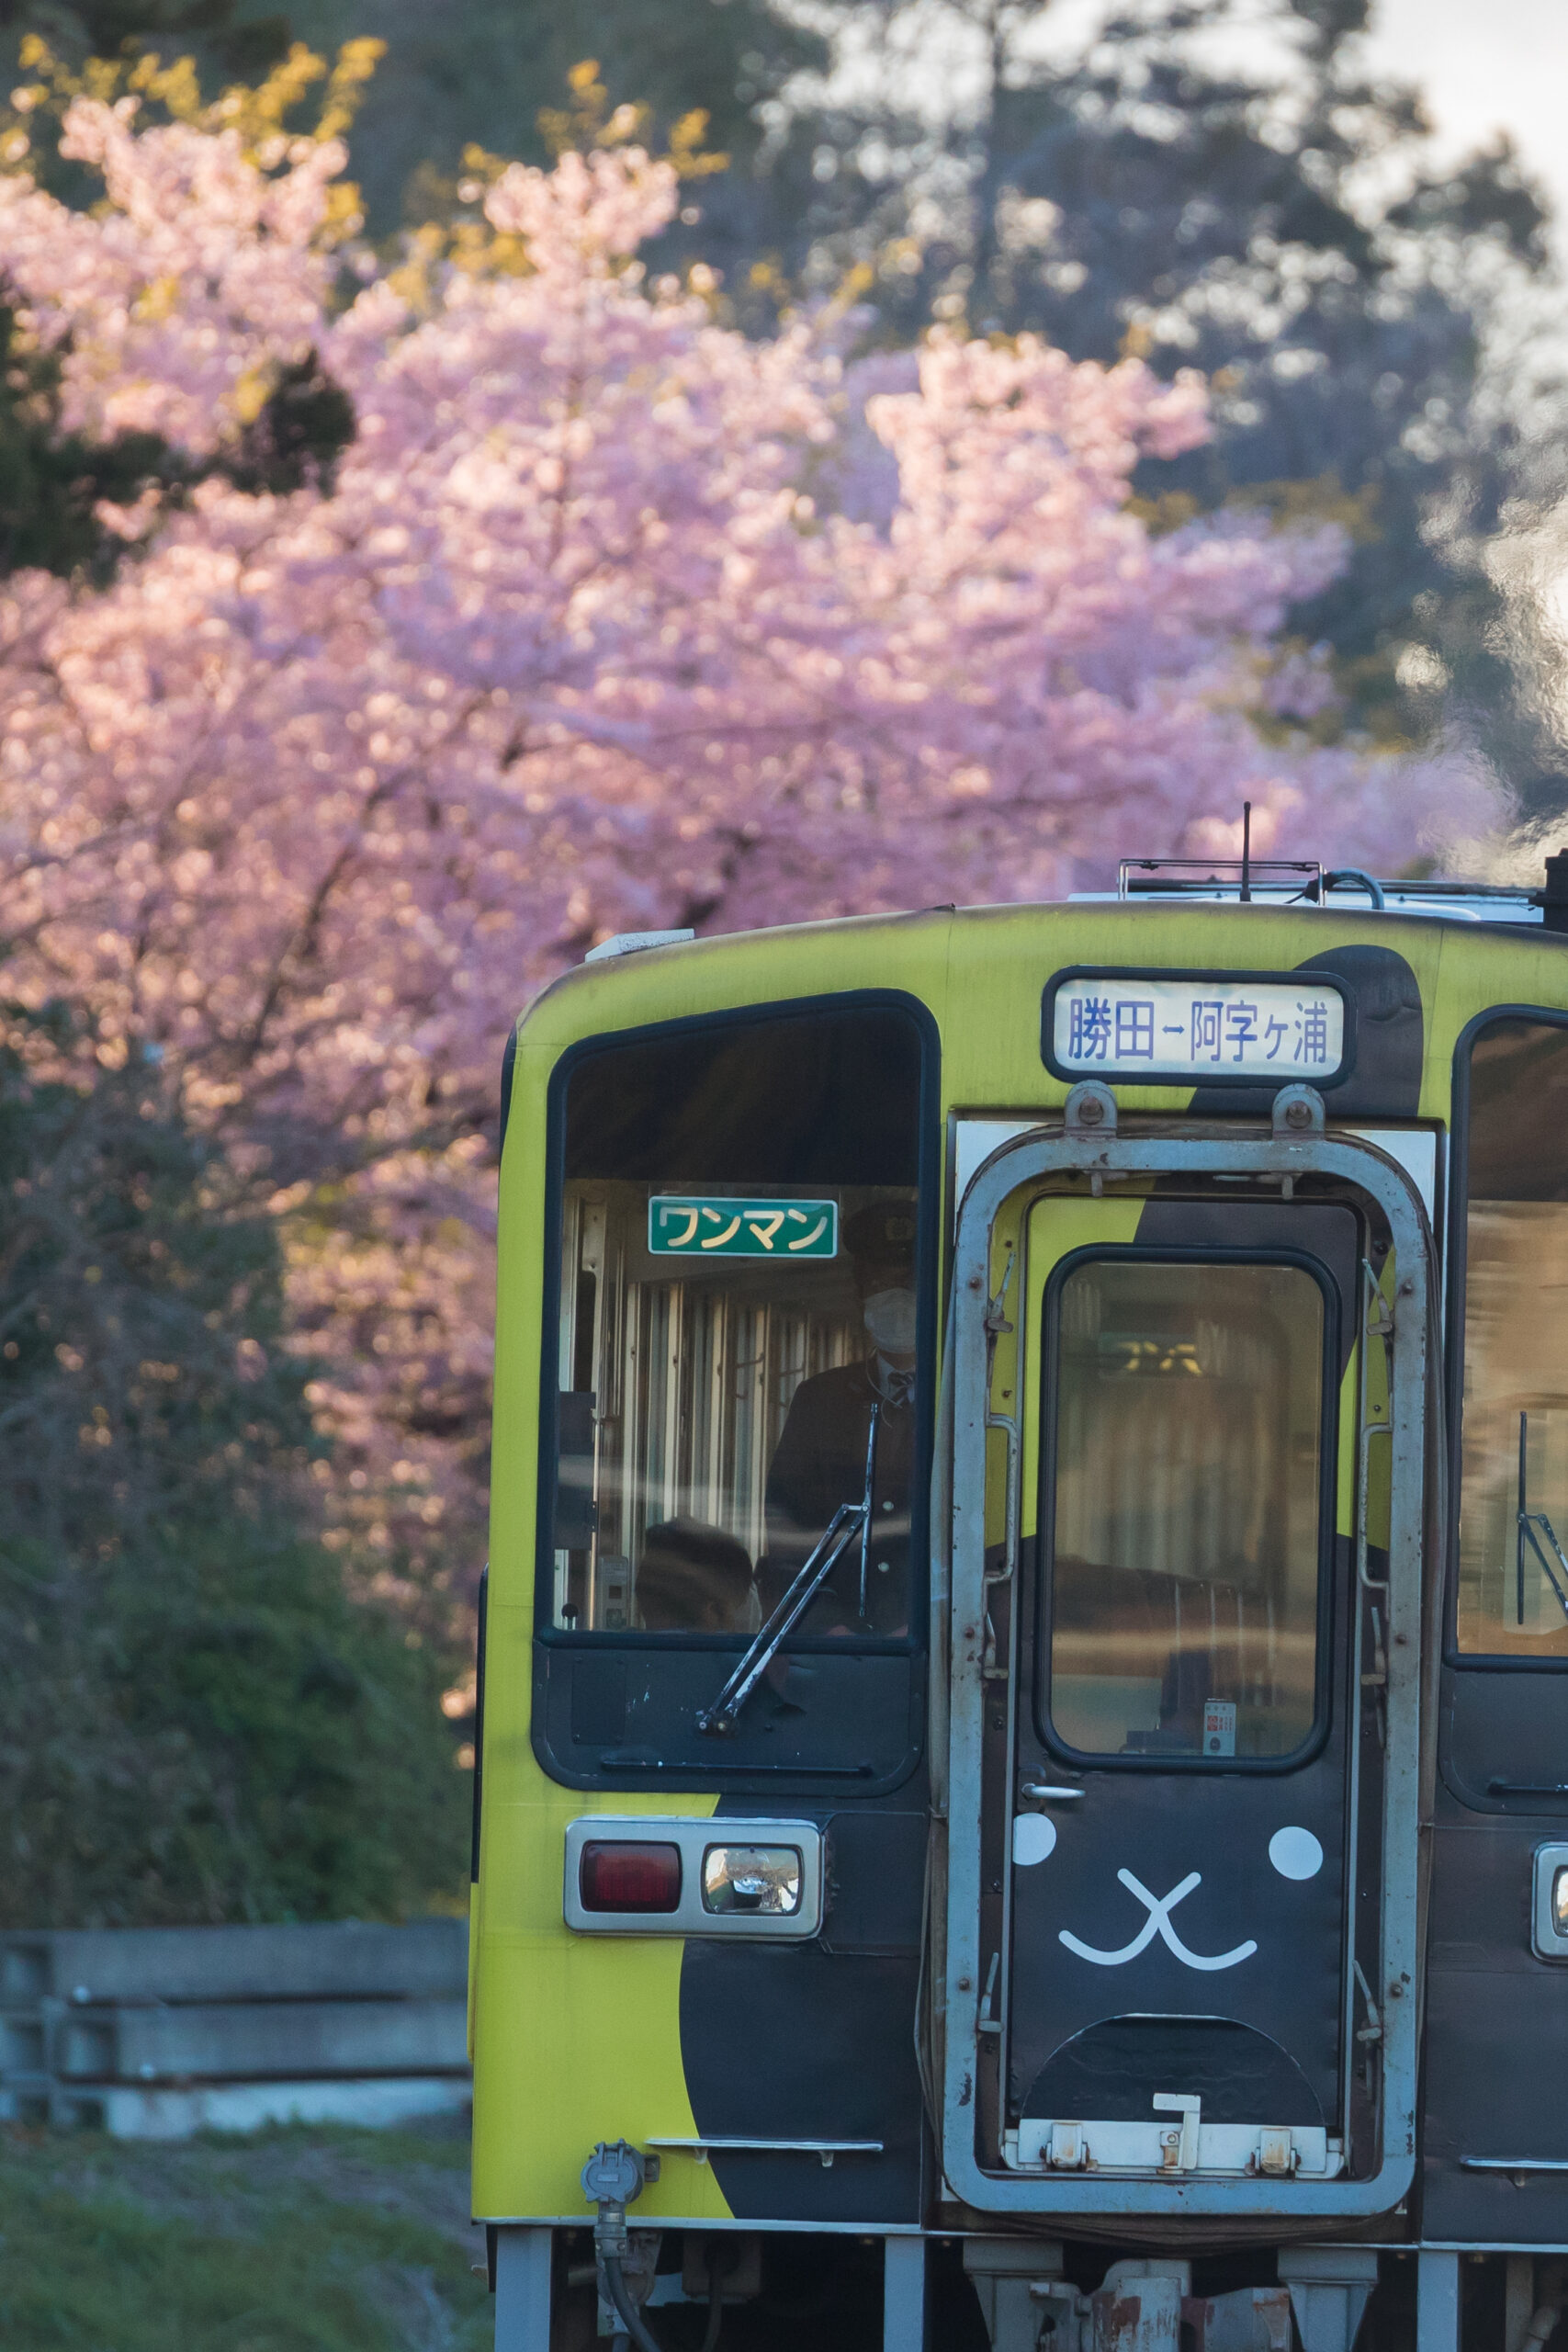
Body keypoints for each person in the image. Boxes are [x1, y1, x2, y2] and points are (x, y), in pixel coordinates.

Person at [763, 1201, 919, 1634]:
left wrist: (933, 1621)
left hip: (940, 1640)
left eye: (909, 1283)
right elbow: (785, 1525)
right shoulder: (820, 1399)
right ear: (859, 1292)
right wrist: (827, 1625)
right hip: (836, 1644)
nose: (897, 1298)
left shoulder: (966, 1398)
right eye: (880, 1283)